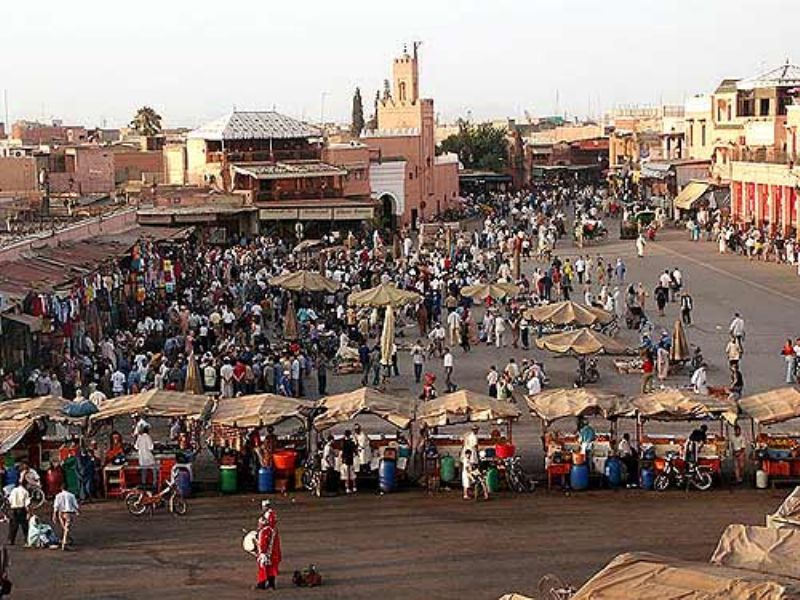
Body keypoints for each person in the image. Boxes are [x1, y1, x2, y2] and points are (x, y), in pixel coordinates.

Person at [254, 502, 282, 591]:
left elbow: (262, 543)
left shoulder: (265, 531)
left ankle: (262, 584)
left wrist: (262, 553)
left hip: (266, 553)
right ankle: (271, 585)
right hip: (273, 553)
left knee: (263, 569)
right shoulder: (273, 530)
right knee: (271, 568)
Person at [52, 483, 80, 551]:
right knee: (67, 528)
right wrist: (77, 511)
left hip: (60, 513)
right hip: (68, 513)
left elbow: (56, 506)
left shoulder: (58, 496)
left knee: (64, 528)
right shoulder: (71, 495)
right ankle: (64, 543)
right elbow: (75, 505)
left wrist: (54, 515)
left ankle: (67, 539)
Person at [6, 479, 29, 545]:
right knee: (24, 526)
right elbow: (27, 504)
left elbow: (9, 500)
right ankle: (27, 540)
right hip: (21, 509)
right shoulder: (25, 492)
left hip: (13, 509)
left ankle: (11, 540)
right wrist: (29, 513)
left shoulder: (13, 490)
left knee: (13, 526)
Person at [340, 430, 358, 494]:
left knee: (346, 475)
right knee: (352, 475)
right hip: (351, 459)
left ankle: (347, 488)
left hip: (345, 460)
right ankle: (354, 487)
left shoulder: (343, 442)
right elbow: (355, 449)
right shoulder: (351, 442)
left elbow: (342, 448)